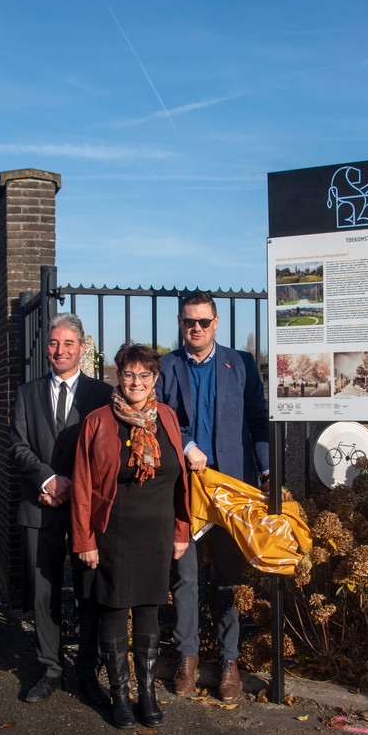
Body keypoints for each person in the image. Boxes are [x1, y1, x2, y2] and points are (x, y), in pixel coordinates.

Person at [155, 292, 270, 701]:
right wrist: (187, 447)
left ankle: (228, 661)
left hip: (230, 491)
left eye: (203, 321)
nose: (196, 329)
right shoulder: (167, 366)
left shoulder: (240, 364)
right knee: (185, 577)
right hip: (185, 490)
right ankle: (187, 657)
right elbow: (159, 417)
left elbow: (258, 419)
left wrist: (267, 468)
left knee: (228, 577)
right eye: (189, 322)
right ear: (181, 322)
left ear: (216, 322)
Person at [72, 343, 191, 728]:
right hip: (113, 531)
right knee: (114, 608)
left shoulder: (168, 418)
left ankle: (148, 694)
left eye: (144, 375)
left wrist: (180, 530)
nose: (136, 382)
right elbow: (82, 484)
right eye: (128, 374)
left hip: (157, 531)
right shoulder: (99, 421)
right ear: (117, 377)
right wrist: (84, 540)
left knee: (149, 611)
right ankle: (120, 695)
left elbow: (180, 482)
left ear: (155, 379)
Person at [8, 313, 113, 705]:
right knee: (43, 590)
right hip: (40, 505)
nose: (60, 351)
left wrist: (73, 486)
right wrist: (50, 480)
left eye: (69, 344)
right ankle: (50, 667)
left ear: (82, 348)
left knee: (88, 590)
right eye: (54, 343)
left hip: (84, 510)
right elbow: (17, 444)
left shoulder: (101, 394)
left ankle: (87, 672)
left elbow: (105, 451)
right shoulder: (27, 393)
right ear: (46, 347)